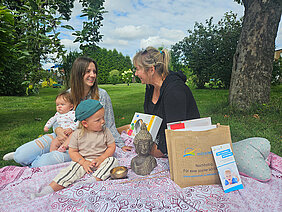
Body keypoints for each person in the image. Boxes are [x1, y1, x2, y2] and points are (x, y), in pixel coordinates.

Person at [3, 57, 131, 167]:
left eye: (94, 71)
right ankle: (29, 156)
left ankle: (40, 161)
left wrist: (120, 144)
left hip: (83, 144)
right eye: (88, 71)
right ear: (78, 73)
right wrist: (58, 131)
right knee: (20, 155)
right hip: (61, 136)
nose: (93, 75)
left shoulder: (102, 95)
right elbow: (59, 118)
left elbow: (109, 124)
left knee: (41, 164)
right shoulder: (68, 94)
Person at [31, 99, 119, 199]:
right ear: (85, 123)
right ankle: (47, 190)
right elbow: (73, 152)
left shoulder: (105, 131)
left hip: (101, 160)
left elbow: (112, 146)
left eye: (102, 118)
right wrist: (83, 162)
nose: (103, 121)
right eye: (98, 120)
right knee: (70, 170)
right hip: (84, 160)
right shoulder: (78, 134)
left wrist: (101, 158)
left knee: (113, 161)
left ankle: (93, 180)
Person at [130, 46, 200, 158]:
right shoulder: (151, 87)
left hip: (185, 148)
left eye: (138, 69)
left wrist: (152, 149)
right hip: (160, 141)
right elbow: (150, 120)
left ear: (151, 70)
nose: (136, 74)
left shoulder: (175, 91)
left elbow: (175, 132)